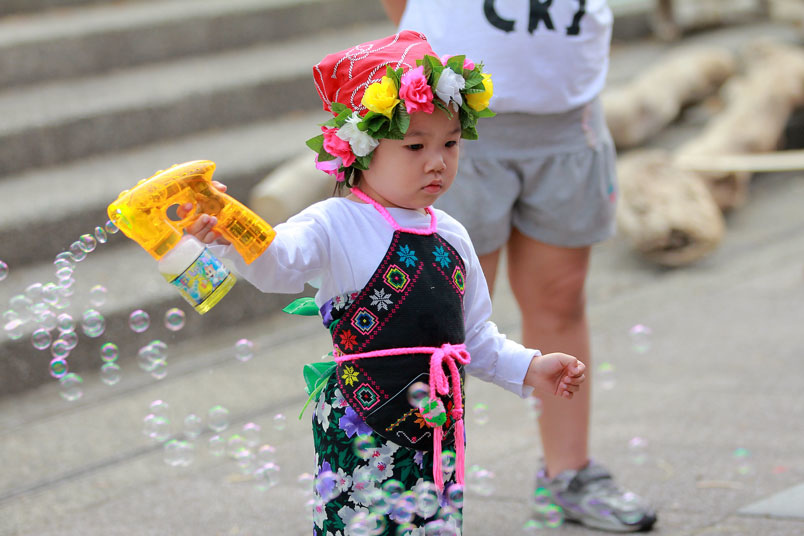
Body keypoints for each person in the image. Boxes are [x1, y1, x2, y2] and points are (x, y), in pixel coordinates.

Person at [185, 31, 586, 535]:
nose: (437, 161)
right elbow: (277, 264)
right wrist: (228, 231)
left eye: (450, 144)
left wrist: (530, 367)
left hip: (435, 430)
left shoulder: (452, 236)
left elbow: (474, 338)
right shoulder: (334, 222)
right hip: (361, 428)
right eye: (415, 145)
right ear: (361, 148)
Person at [381, 1, 657, 533]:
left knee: (561, 296)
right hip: (451, 120)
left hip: (566, 117)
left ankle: (569, 474)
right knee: (439, 316)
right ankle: (408, 487)